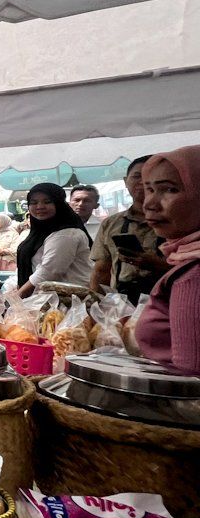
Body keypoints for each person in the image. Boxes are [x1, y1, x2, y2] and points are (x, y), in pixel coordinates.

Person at [134, 146, 200, 374]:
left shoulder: (192, 276)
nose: (150, 204)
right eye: (149, 189)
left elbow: (190, 382)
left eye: (170, 190)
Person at [90, 156, 169, 298]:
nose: (143, 182)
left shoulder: (179, 221)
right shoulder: (111, 223)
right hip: (122, 302)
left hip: (168, 299)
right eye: (137, 176)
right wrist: (96, 304)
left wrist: (160, 265)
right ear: (125, 182)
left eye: (150, 177)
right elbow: (101, 271)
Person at [15, 182, 93, 297]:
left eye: (47, 202)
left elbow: (48, 271)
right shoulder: (40, 232)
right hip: (47, 300)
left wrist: (18, 296)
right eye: (34, 202)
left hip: (68, 304)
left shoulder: (66, 234)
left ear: (59, 204)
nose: (40, 206)